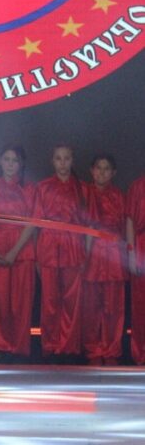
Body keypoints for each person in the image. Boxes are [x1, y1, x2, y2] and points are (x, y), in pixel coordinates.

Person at [0, 145, 35, 362]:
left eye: (15, 160)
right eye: (7, 159)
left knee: (21, 301)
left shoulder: (29, 189)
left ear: (21, 164)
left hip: (22, 248)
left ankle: (19, 349)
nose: (10, 164)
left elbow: (32, 222)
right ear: (0, 161)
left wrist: (15, 251)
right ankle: (0, 347)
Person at [32, 144, 86, 362]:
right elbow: (37, 222)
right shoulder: (43, 187)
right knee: (50, 300)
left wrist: (85, 253)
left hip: (73, 244)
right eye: (58, 158)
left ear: (72, 161)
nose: (62, 163)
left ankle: (69, 347)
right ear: (52, 161)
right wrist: (37, 255)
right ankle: (51, 346)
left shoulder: (82, 188)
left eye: (66, 158)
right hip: (49, 244)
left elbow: (87, 224)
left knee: (72, 299)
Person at [81, 154, 126, 366]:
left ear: (113, 172)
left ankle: (111, 349)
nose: (102, 172)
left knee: (113, 305)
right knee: (91, 304)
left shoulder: (119, 195)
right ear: (92, 170)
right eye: (98, 168)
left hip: (114, 253)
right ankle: (93, 348)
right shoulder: (84, 192)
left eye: (106, 168)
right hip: (92, 251)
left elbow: (124, 227)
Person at [127, 174, 145, 365]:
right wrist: (131, 253)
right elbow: (130, 221)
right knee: (140, 303)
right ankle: (141, 353)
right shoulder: (137, 186)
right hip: (142, 245)